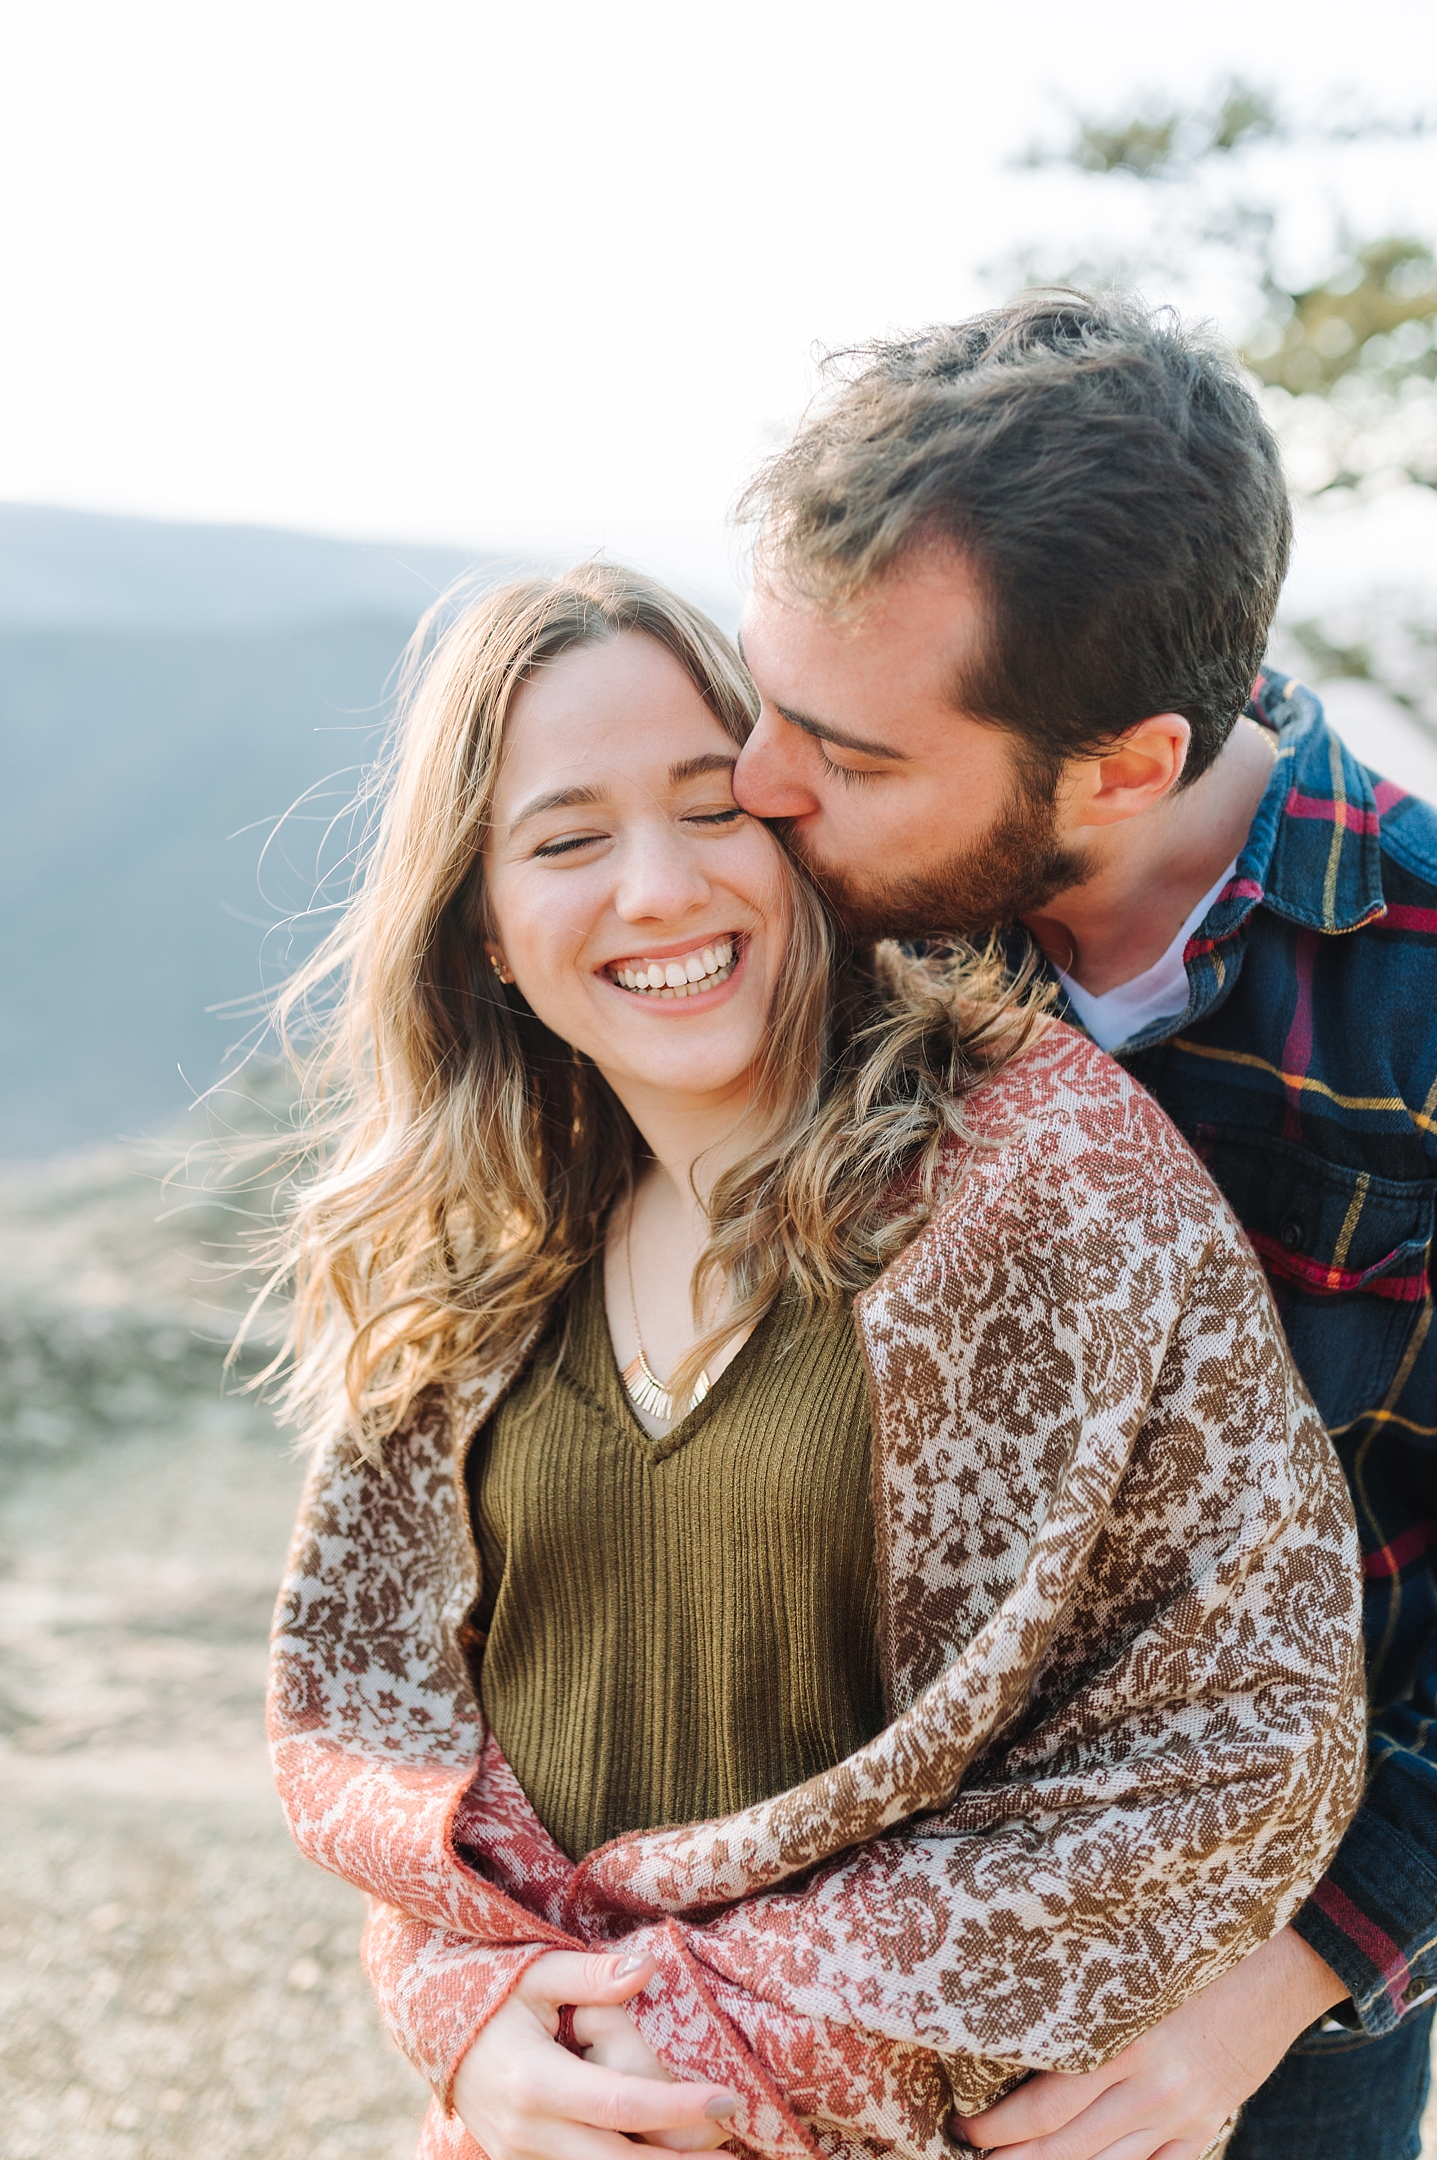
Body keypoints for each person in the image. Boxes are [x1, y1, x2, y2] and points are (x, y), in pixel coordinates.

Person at [264, 561, 1362, 2160]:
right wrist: (469, 2011)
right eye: (567, 840)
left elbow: (1245, 1732)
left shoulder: (1032, 1170)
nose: (655, 888)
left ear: (799, 836)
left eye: (714, 808)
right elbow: (398, 1760)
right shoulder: (476, 1274)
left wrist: (706, 2045)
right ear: (486, 928)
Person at [731, 289, 1437, 2160]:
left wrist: (1285, 1978)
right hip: (789, 1964)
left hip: (1238, 2033)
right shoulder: (781, 913)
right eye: (762, 703)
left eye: (858, 756)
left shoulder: (1427, 999)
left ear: (1124, 764)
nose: (754, 790)